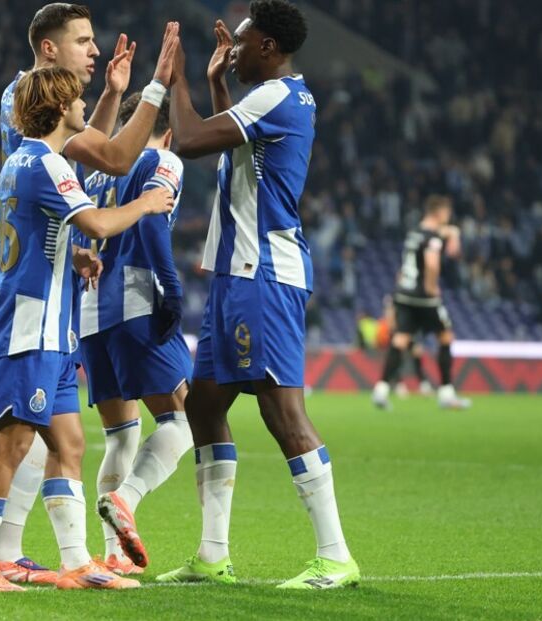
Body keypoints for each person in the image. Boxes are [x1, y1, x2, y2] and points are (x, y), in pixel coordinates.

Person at [0, 4, 179, 584]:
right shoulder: (33, 129)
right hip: (29, 308)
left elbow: (78, 143)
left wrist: (66, 250)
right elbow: (110, 157)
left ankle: (67, 561)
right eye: (83, 40)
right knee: (15, 435)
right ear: (49, 52)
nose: (95, 52)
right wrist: (152, 88)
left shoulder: (32, 135)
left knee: (62, 439)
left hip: (48, 293)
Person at [154, 0, 360, 589]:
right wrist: (219, 79)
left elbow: (190, 139)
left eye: (241, 42)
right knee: (204, 405)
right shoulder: (273, 98)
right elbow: (232, 145)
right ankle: (213, 555)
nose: (233, 47)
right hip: (234, 276)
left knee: (281, 410)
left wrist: (179, 76)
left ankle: (335, 554)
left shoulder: (277, 95)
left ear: (268, 46)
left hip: (262, 273)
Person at [76, 94, 193, 575]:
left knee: (120, 438)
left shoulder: (91, 172)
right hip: (135, 301)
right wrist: (172, 289)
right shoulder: (162, 158)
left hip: (89, 311)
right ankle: (126, 498)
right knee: (186, 420)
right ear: (166, 133)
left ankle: (112, 555)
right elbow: (151, 227)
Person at [372, 195, 471, 410]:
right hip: (423, 296)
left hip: (404, 293)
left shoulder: (415, 233)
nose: (448, 217)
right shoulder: (432, 237)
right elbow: (432, 263)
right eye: (446, 212)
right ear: (439, 212)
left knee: (400, 339)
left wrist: (454, 232)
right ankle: (446, 393)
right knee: (445, 336)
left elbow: (440, 234)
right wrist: (432, 288)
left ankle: (380, 390)